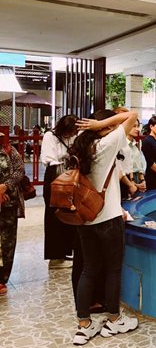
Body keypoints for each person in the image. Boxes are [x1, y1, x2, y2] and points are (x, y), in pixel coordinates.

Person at [69, 110, 139, 345]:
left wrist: (96, 125)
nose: (111, 128)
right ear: (100, 127)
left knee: (89, 270)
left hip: (85, 220)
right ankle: (114, 319)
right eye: (107, 125)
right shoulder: (106, 144)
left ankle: (84, 325)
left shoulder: (81, 146)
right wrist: (104, 123)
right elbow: (132, 115)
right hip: (108, 219)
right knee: (113, 270)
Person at [40, 115, 78, 269]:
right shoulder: (50, 136)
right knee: (54, 214)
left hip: (68, 176)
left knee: (69, 213)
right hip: (55, 176)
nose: (71, 135)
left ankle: (66, 252)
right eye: (69, 132)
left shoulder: (75, 136)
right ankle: (55, 256)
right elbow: (50, 159)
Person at [0, 127, 25, 296]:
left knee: (7, 242)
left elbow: (19, 171)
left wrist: (4, 187)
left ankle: (1, 279)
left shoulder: (10, 150)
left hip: (9, 204)